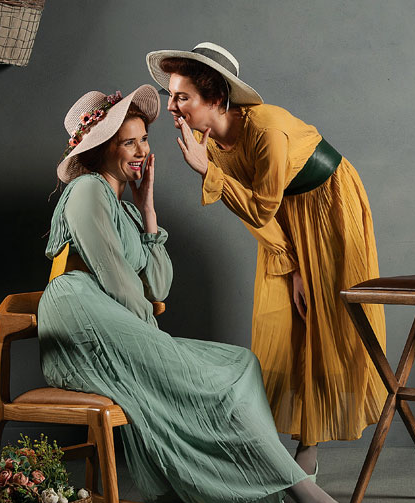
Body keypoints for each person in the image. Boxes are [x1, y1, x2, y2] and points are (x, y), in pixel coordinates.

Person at [38, 84, 390, 503]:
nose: (142, 152)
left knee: (241, 364)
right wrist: (159, 345)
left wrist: (148, 211)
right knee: (205, 377)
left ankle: (232, 498)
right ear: (101, 148)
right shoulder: (86, 192)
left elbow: (157, 285)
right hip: (79, 321)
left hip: (114, 322)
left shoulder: (124, 208)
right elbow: (120, 286)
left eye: (144, 140)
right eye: (128, 143)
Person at [146, 42, 386, 478]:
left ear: (216, 98)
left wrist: (207, 172)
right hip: (282, 221)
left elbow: (258, 207)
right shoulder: (207, 141)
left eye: (182, 97)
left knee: (327, 322)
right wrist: (291, 265)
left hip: (329, 207)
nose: (171, 108)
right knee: (280, 324)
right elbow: (256, 215)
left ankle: (309, 449)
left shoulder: (267, 129)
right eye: (170, 96)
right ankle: (265, 450)